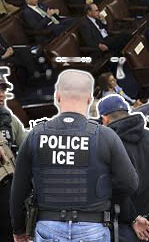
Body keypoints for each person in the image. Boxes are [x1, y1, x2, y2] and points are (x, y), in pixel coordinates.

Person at [10, 70, 138, 242]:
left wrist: (18, 229)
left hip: (48, 226)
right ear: (89, 99)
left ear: (57, 97)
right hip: (93, 227)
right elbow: (130, 183)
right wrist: (100, 189)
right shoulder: (106, 136)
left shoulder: (36, 135)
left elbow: (18, 190)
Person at [98, 95, 149, 242]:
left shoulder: (105, 143)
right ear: (127, 113)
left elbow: (114, 186)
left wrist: (133, 217)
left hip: (121, 227)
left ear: (104, 119)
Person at [0, 80, 26, 242]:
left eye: (3, 90)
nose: (1, 95)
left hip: (5, 187)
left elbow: (25, 147)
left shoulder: (8, 119)